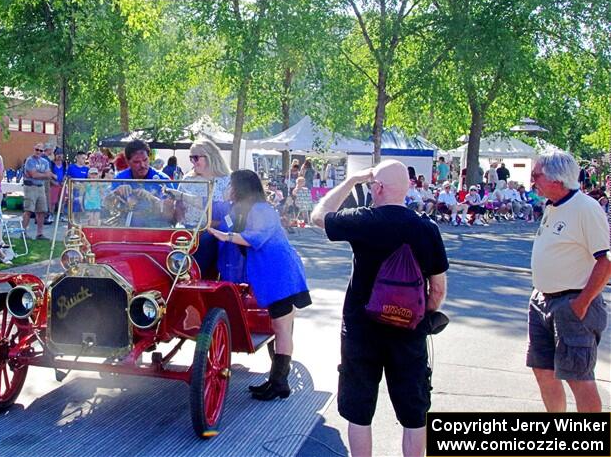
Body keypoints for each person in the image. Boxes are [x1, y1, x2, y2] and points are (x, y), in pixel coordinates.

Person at [312, 159, 448, 457]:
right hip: (409, 331)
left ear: (377, 188)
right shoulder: (427, 228)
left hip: (362, 330)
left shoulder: (365, 220)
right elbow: (437, 288)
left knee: (359, 410)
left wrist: (350, 182)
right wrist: (422, 317)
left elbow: (319, 216)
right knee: (414, 412)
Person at [207, 169, 311, 401]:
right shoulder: (242, 209)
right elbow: (227, 222)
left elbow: (256, 237)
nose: (229, 189)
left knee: (281, 329)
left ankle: (280, 382)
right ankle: (276, 381)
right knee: (278, 327)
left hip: (281, 274)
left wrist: (226, 237)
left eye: (231, 185)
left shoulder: (262, 210)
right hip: (272, 275)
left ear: (241, 188)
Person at [526, 151, 610, 413]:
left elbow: (605, 262)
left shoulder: (585, 208)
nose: (532, 181)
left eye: (536, 175)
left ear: (557, 180)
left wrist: (581, 304)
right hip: (542, 300)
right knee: (543, 371)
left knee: (579, 378)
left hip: (571, 302)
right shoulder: (553, 206)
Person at [182, 139, 232, 275]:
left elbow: (228, 212)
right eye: (191, 158)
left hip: (214, 231)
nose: (193, 162)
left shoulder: (227, 180)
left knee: (205, 241)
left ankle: (196, 278)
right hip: (188, 231)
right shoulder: (187, 179)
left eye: (196, 158)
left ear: (210, 157)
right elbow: (178, 212)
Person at [21, 143, 56, 240]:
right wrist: (44, 174)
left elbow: (48, 174)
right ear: (34, 149)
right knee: (28, 210)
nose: (38, 152)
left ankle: (39, 234)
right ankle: (23, 232)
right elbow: (33, 175)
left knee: (41, 211)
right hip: (30, 187)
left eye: (41, 150)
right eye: (37, 150)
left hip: (41, 187)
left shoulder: (45, 161)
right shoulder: (30, 160)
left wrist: (42, 174)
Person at [48, 147, 66, 215]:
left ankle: (61, 214)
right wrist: (52, 181)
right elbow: (49, 173)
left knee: (62, 200)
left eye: (61, 154)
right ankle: (51, 214)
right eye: (58, 154)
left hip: (62, 184)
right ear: (55, 155)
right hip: (54, 184)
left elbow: (65, 173)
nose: (59, 156)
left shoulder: (64, 163)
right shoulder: (52, 163)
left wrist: (63, 180)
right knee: (53, 201)